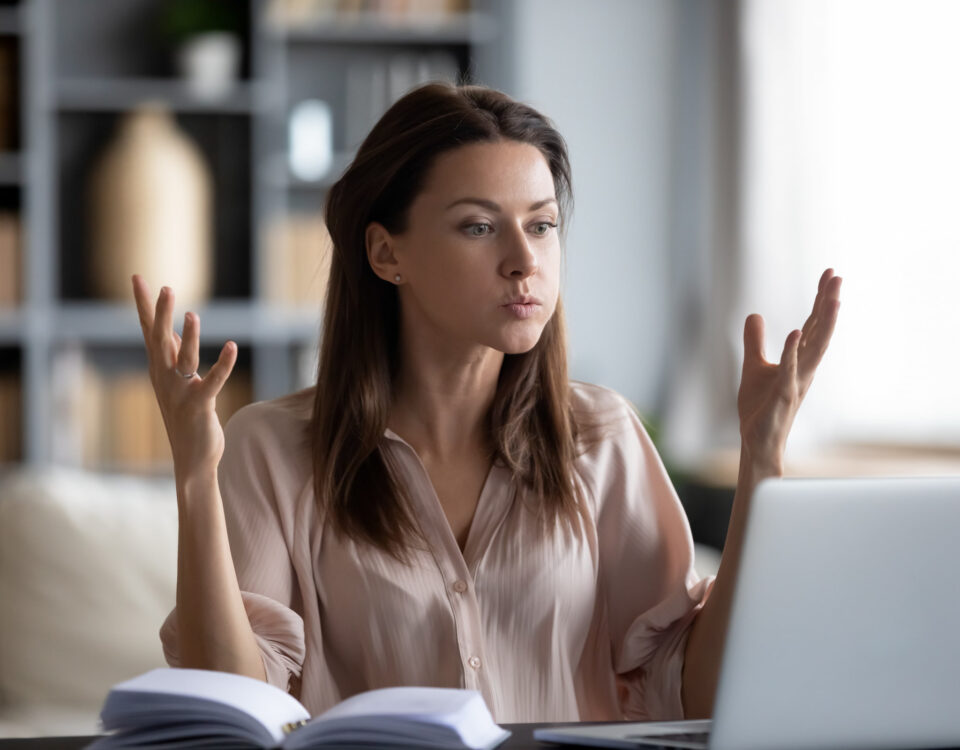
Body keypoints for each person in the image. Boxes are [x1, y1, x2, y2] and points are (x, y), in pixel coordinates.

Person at [132, 82, 841, 723]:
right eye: (478, 226)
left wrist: (761, 461)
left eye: (541, 225)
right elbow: (230, 712)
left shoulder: (603, 436)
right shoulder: (271, 448)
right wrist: (195, 476)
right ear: (386, 254)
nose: (523, 260)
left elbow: (701, 700)